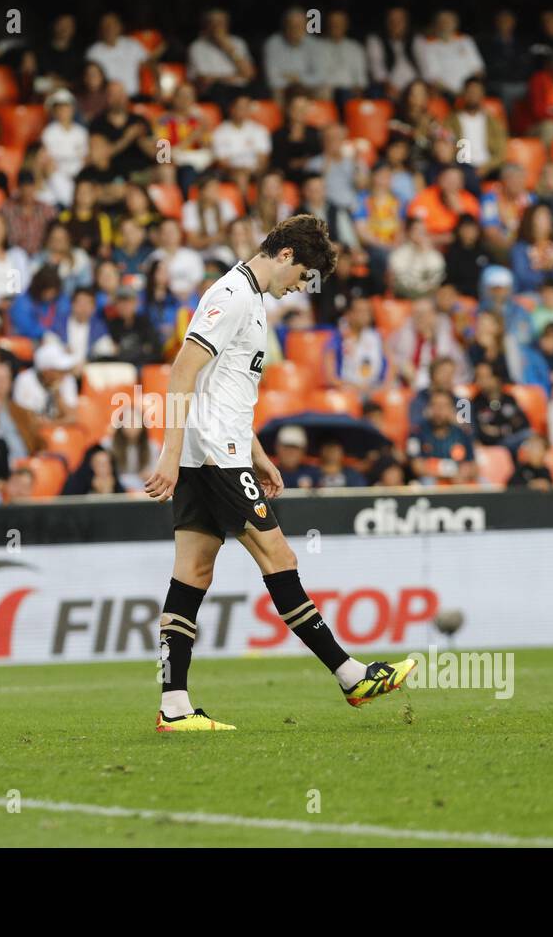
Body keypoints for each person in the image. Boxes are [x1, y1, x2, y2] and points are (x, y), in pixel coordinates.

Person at [142, 215, 416, 732]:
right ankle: (350, 675)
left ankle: (174, 706)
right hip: (213, 454)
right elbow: (182, 371)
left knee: (192, 573)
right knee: (280, 556)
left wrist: (259, 453)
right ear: (286, 254)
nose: (298, 289)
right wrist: (168, 451)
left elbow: (222, 391)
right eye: (301, 276)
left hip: (217, 449)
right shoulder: (233, 295)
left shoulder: (251, 300)